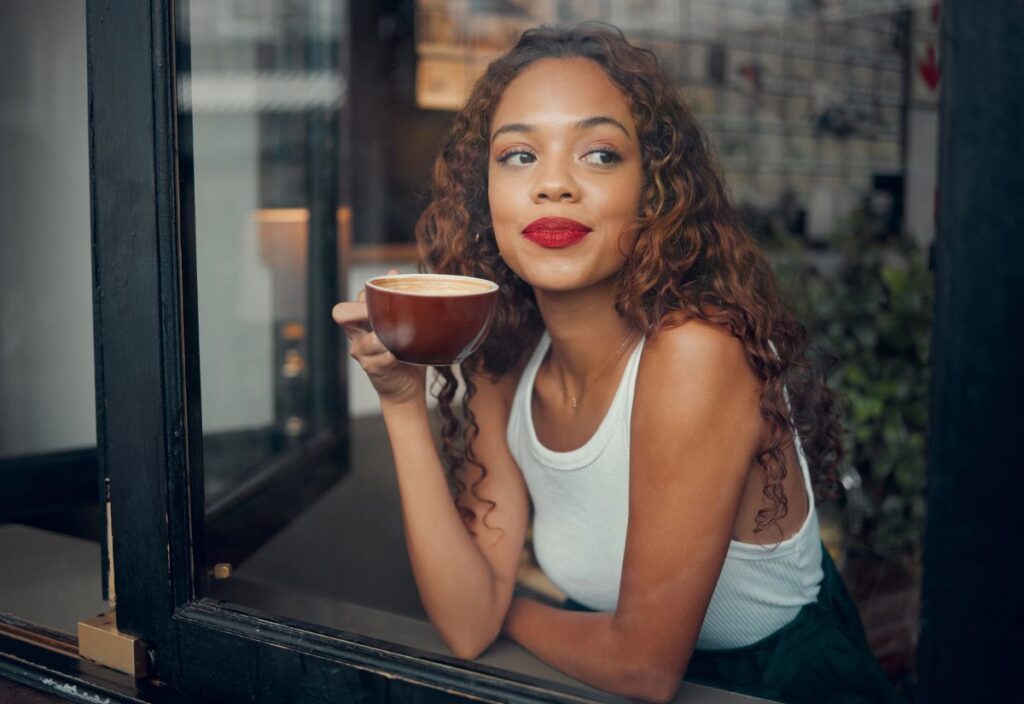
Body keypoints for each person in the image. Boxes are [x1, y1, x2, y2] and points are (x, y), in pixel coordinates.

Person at [334, 23, 900, 704]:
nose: (553, 185)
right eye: (518, 156)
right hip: (590, 673)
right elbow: (464, 624)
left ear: (653, 190)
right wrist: (399, 399)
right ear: (485, 193)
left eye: (599, 153)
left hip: (773, 687)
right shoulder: (504, 365)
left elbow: (642, 667)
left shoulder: (697, 353)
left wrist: (505, 605)